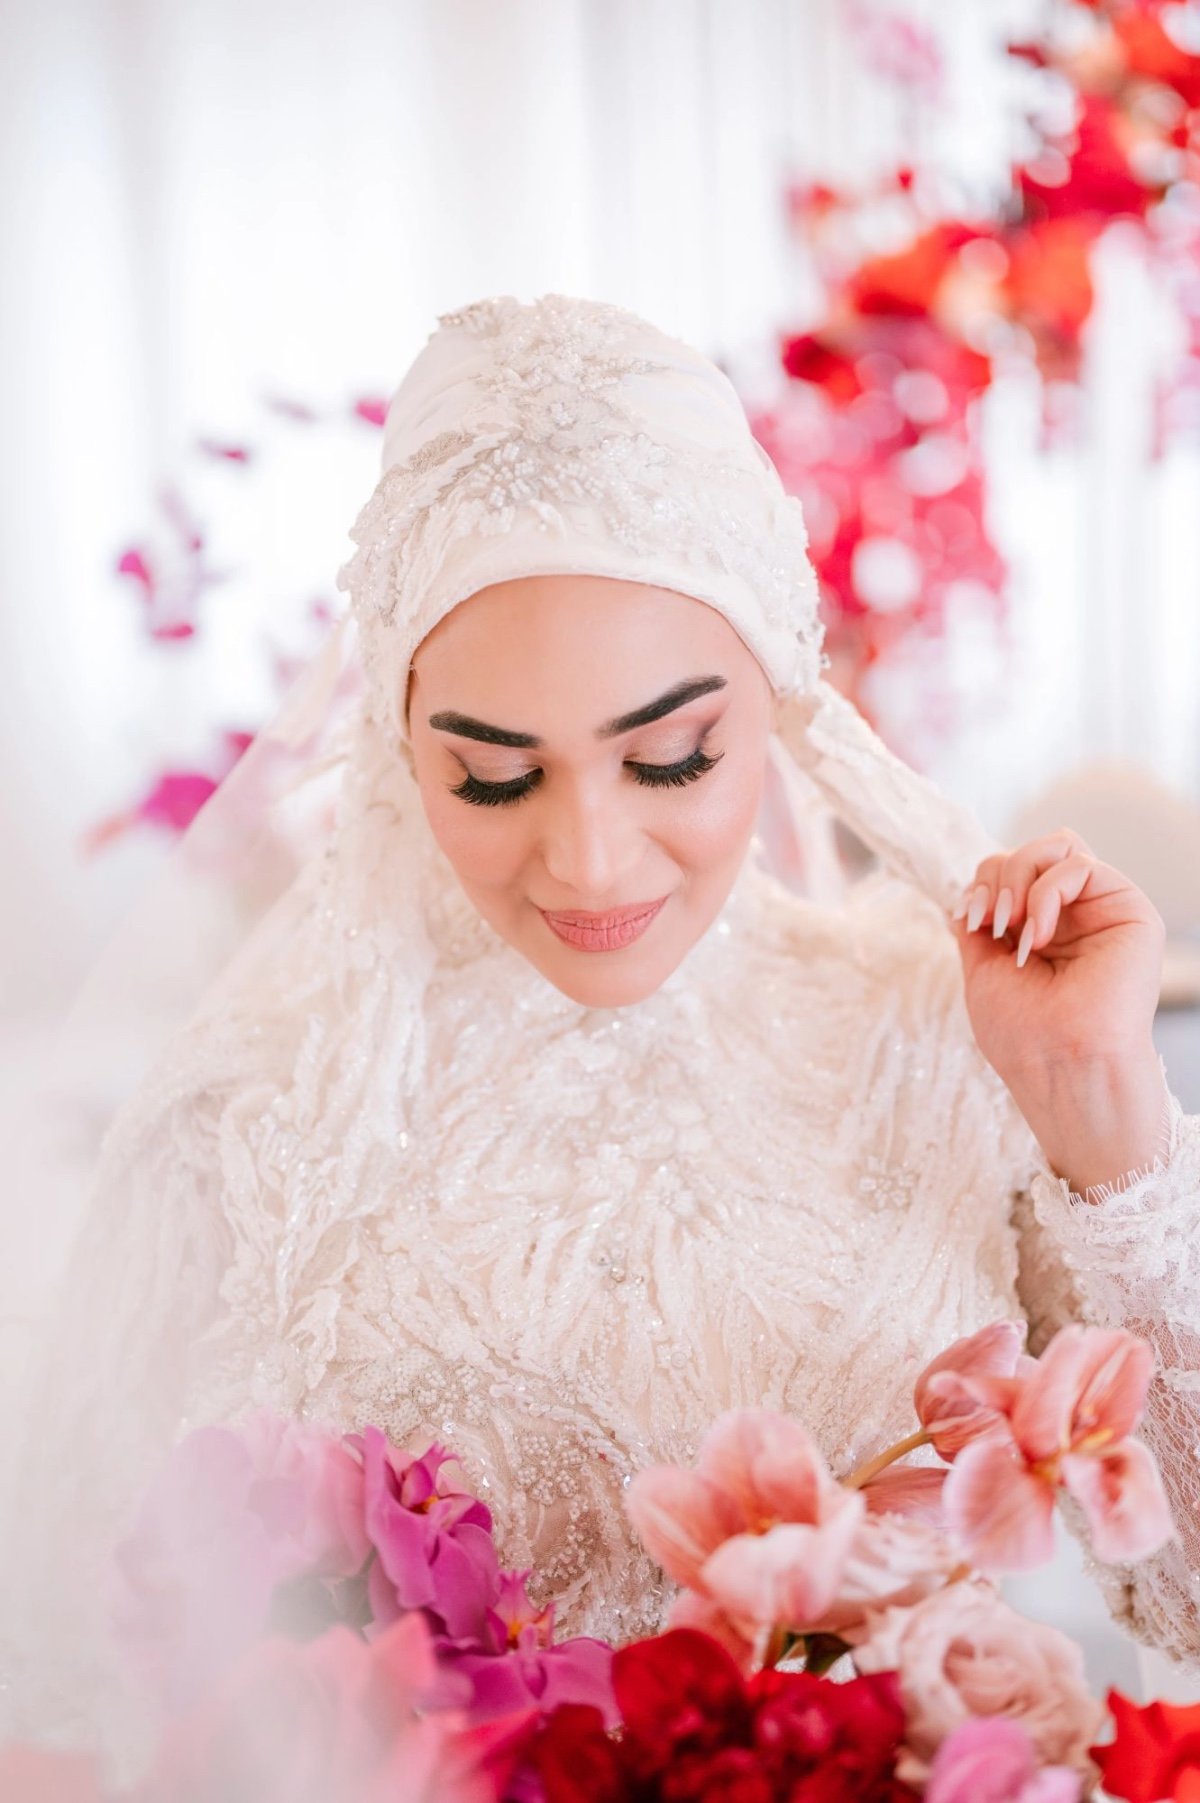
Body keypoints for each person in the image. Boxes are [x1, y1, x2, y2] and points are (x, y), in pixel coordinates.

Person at [4, 292, 1199, 1773]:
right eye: (494, 780)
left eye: (672, 758)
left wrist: (1096, 1097)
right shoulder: (247, 1122)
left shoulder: (937, 1033)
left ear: (774, 702)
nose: (589, 862)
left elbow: (1190, 1599)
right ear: (395, 752)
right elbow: (66, 1695)